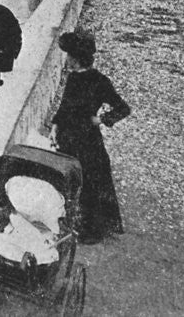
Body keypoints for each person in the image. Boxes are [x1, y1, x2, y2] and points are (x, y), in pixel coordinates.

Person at [49, 30, 130, 244]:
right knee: (71, 181)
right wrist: (55, 126)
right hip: (69, 138)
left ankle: (91, 230)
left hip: (87, 141)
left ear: (76, 58)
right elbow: (64, 106)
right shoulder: (74, 78)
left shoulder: (99, 81)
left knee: (91, 185)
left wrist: (102, 119)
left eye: (69, 56)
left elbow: (123, 108)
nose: (67, 60)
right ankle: (71, 222)